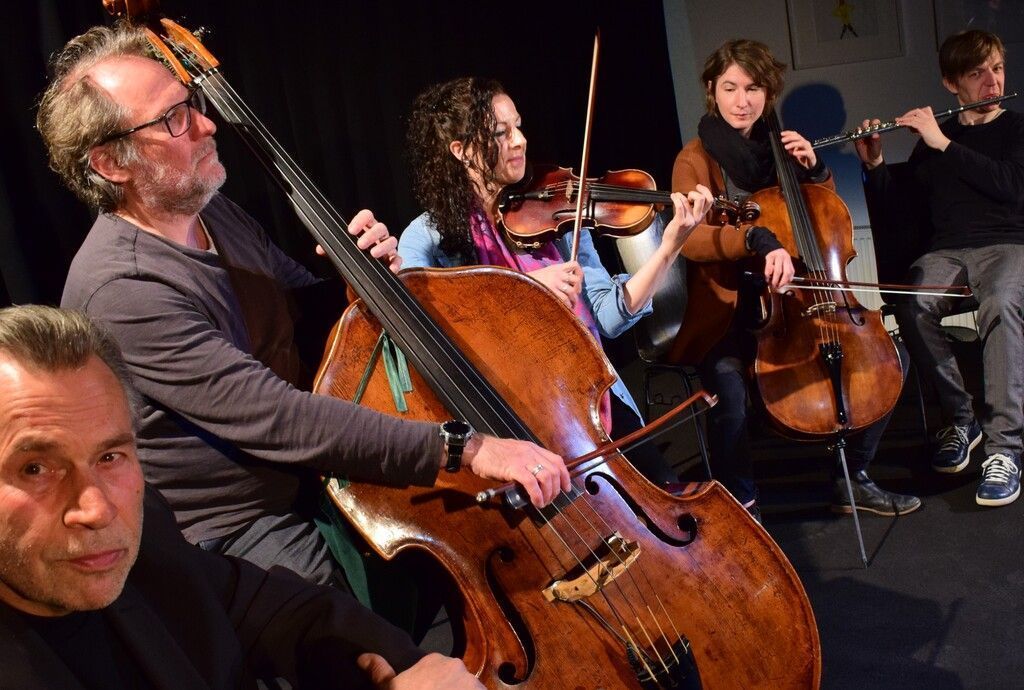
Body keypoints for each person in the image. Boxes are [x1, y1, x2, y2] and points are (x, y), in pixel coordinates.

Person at [38, 23, 570, 602]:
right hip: (242, 524)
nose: (207, 124)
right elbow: (277, 416)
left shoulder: (211, 213)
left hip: (309, 477)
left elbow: (304, 309)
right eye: (172, 120)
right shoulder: (121, 289)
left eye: (190, 104)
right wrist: (467, 446)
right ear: (112, 163)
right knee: (365, 638)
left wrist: (360, 276)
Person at [0, 304, 483, 689]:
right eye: (35, 468)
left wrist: (410, 668)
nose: (98, 508)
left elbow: (267, 606)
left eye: (110, 457)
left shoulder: (147, 533)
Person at [399, 76, 713, 488]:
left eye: (519, 125)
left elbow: (609, 317)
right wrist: (523, 292)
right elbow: (428, 335)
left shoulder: (557, 213)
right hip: (517, 423)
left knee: (668, 499)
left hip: (596, 402)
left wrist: (669, 248)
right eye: (500, 132)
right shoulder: (428, 237)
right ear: (460, 151)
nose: (520, 141)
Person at [671, 39, 921, 520]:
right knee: (729, 388)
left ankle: (854, 478)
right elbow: (692, 238)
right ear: (711, 91)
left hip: (804, 302)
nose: (742, 100)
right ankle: (742, 503)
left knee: (891, 359)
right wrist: (753, 241)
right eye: (731, 87)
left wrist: (817, 169)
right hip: (733, 309)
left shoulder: (781, 146)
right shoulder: (696, 159)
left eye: (754, 88)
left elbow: (823, 221)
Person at [857, 29, 1024, 507]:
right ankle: (962, 418)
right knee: (909, 301)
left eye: (997, 69)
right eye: (977, 73)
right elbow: (902, 218)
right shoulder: (935, 141)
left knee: (1002, 300)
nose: (992, 82)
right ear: (952, 83)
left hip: (1010, 245)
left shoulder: (1015, 129)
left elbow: (1012, 186)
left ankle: (1005, 449)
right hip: (948, 251)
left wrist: (943, 143)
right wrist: (876, 166)